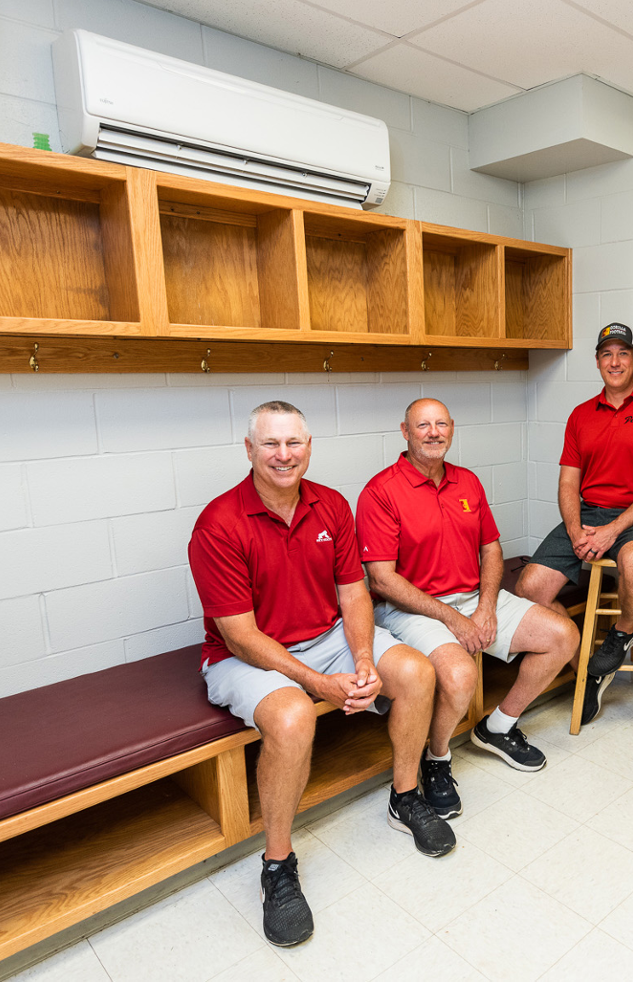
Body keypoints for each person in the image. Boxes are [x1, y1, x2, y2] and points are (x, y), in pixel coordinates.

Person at [187, 401, 453, 949]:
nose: (284, 455)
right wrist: (315, 682)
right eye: (270, 444)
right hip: (246, 655)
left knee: (415, 671)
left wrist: (359, 659)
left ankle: (405, 796)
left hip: (327, 636)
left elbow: (353, 591)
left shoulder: (331, 505)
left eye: (294, 443)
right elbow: (239, 634)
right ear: (249, 450)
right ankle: (278, 865)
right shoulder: (219, 523)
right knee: (291, 716)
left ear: (309, 447)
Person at [358, 399, 581, 813]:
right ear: (405, 432)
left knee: (562, 635)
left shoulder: (468, 482)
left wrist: (487, 607)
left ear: (452, 428)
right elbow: (382, 580)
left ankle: (498, 727)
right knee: (460, 676)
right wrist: (454, 619)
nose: (433, 432)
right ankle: (437, 758)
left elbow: (491, 550)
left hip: (473, 597)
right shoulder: (380, 491)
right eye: (422, 425)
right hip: (411, 610)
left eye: (441, 424)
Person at [513, 322, 633, 725]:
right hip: (588, 515)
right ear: (597, 362)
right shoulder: (580, 415)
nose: (615, 361)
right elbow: (568, 482)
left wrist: (611, 531)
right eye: (607, 354)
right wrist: (575, 531)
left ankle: (621, 635)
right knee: (530, 589)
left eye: (623, 353)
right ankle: (587, 673)